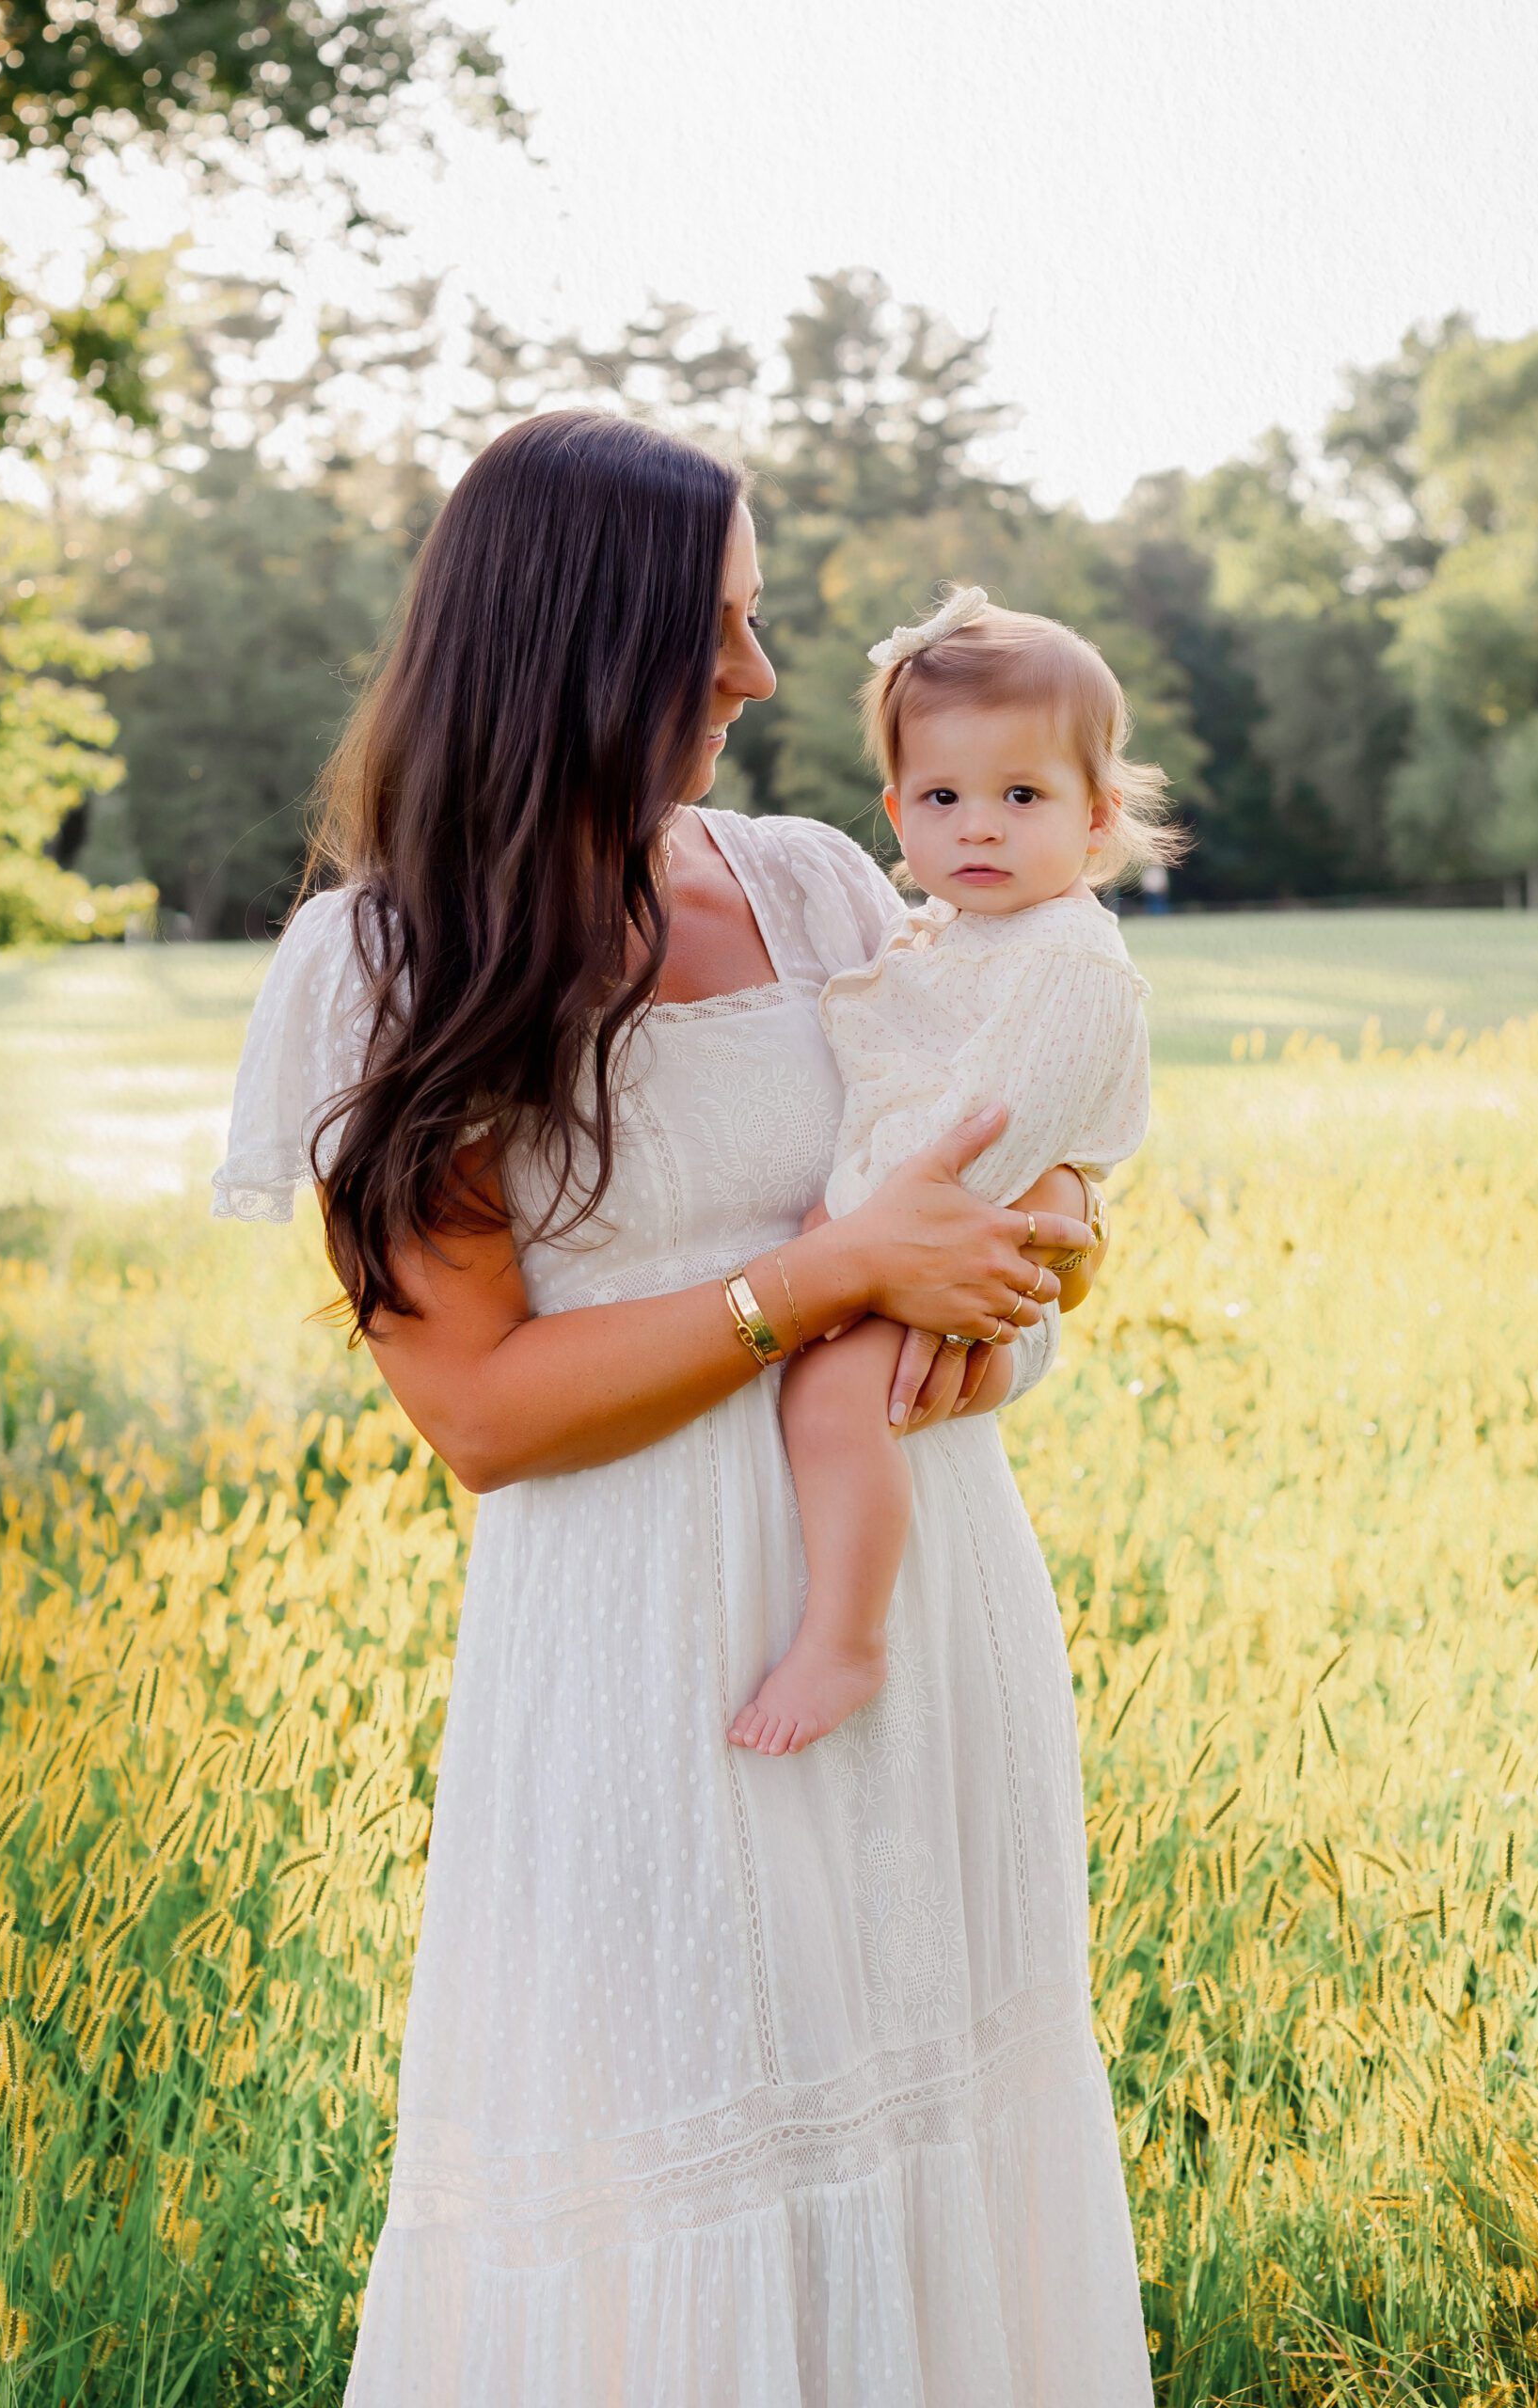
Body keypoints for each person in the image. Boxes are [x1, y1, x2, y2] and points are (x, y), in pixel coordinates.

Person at [213, 412, 1152, 2404]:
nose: (757, 673)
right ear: (576, 641)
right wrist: (817, 1282)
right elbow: (472, 1405)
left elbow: (987, 1183)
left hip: (921, 1597)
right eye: (711, 628)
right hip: (644, 1656)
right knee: (674, 2179)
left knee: (936, 2143)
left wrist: (1019, 1284)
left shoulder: (819, 886)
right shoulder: (390, 962)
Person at [727, 587, 1170, 1757]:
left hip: (929, 1232)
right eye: (942, 798)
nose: (977, 827)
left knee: (834, 1399)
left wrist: (847, 1225)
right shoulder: (950, 933)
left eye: (1019, 797)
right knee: (835, 1393)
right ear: (895, 811)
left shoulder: (1068, 959)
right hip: (892, 1240)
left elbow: (993, 1128)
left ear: (1094, 816)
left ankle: (845, 1635)